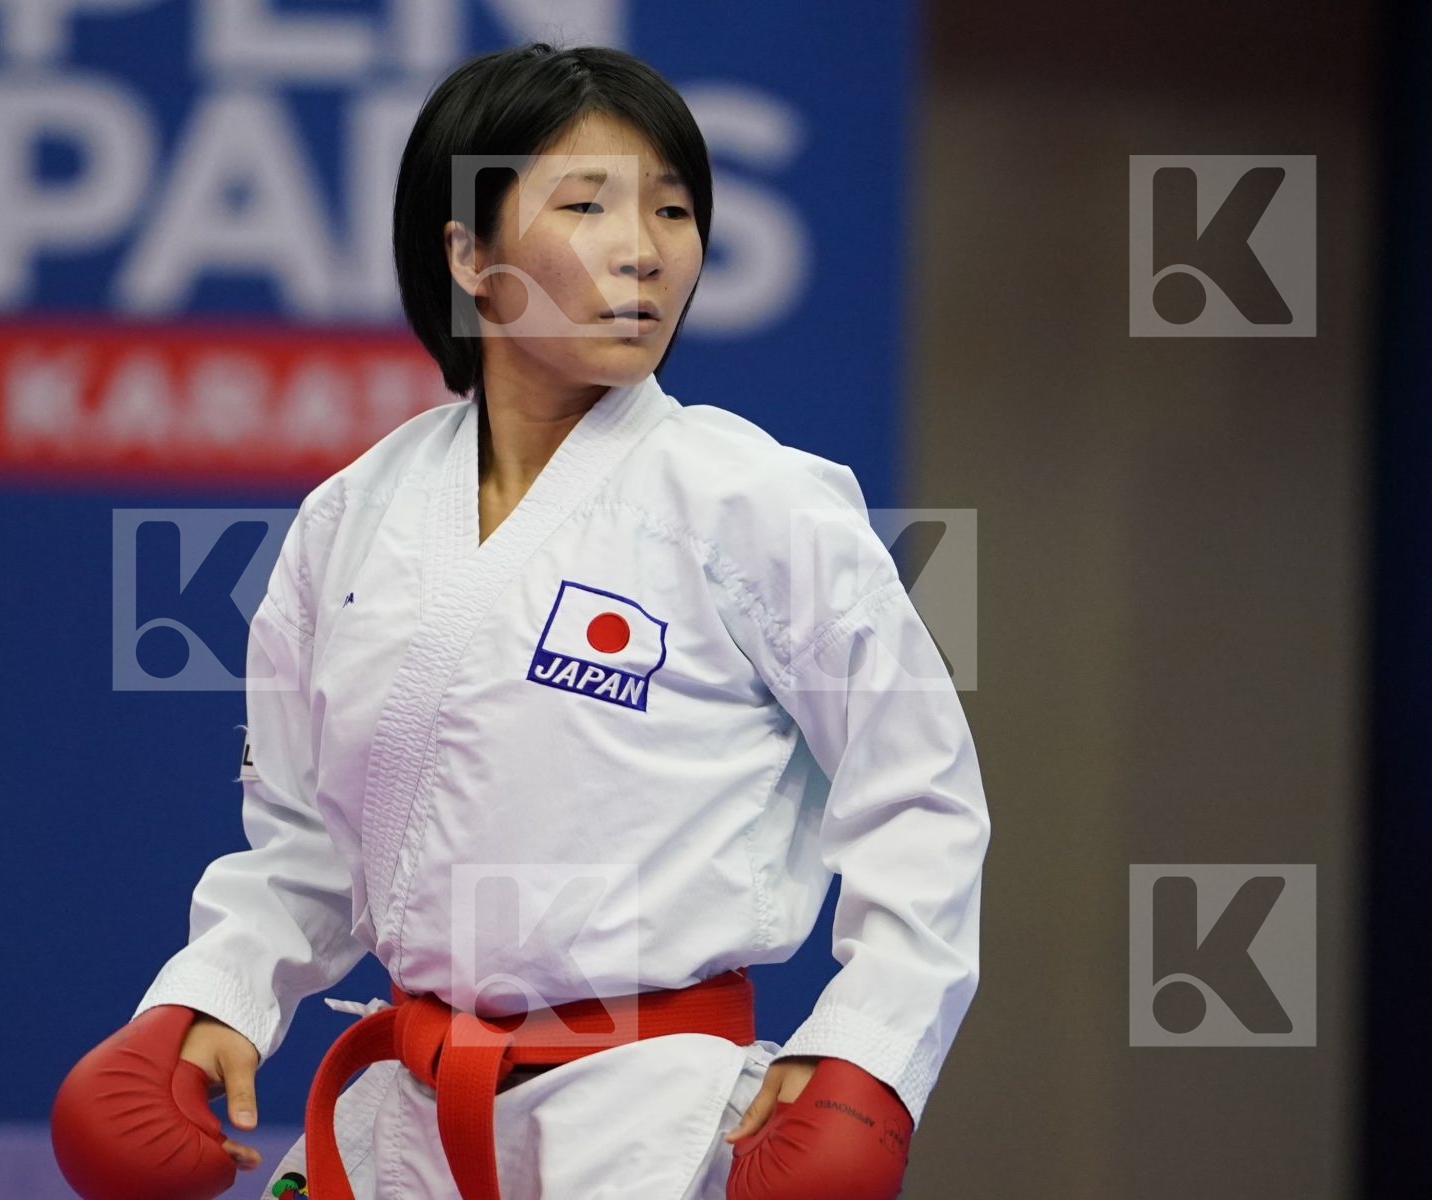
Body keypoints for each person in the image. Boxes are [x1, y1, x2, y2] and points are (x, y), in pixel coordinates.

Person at [51, 41, 990, 1200]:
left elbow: (923, 799)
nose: (645, 250)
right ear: (470, 255)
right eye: (586, 204)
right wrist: (212, 994)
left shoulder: (756, 503)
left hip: (649, 1118)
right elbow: (304, 843)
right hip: (405, 1117)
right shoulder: (353, 517)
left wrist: (864, 1054)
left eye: (676, 209)